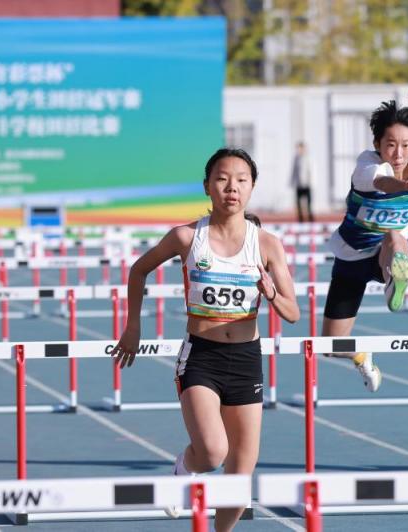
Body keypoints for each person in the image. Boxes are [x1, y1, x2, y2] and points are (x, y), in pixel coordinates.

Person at [111, 148, 300, 530]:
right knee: (213, 451)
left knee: (239, 483)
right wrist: (133, 327)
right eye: (223, 179)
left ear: (251, 188)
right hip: (202, 357)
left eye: (241, 180)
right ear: (207, 187)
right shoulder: (186, 236)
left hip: (246, 359)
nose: (232, 187)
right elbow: (138, 270)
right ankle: (183, 469)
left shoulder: (267, 244)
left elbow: (293, 313)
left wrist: (272, 293)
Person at [322, 88, 408, 392]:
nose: (398, 153)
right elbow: (381, 182)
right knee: (330, 344)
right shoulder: (367, 166)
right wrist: (404, 185)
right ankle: (360, 355)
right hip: (353, 253)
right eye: (391, 145)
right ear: (377, 144)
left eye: (405, 145)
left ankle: (394, 278)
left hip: (388, 247)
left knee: (396, 238)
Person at [290, 141, 315, 222]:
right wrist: (292, 181)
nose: (299, 150)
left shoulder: (309, 158)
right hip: (299, 184)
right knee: (298, 202)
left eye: (301, 148)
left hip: (307, 184)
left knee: (308, 203)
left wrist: (312, 182)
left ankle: (310, 218)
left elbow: (312, 171)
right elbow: (294, 171)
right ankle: (301, 219)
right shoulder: (296, 158)